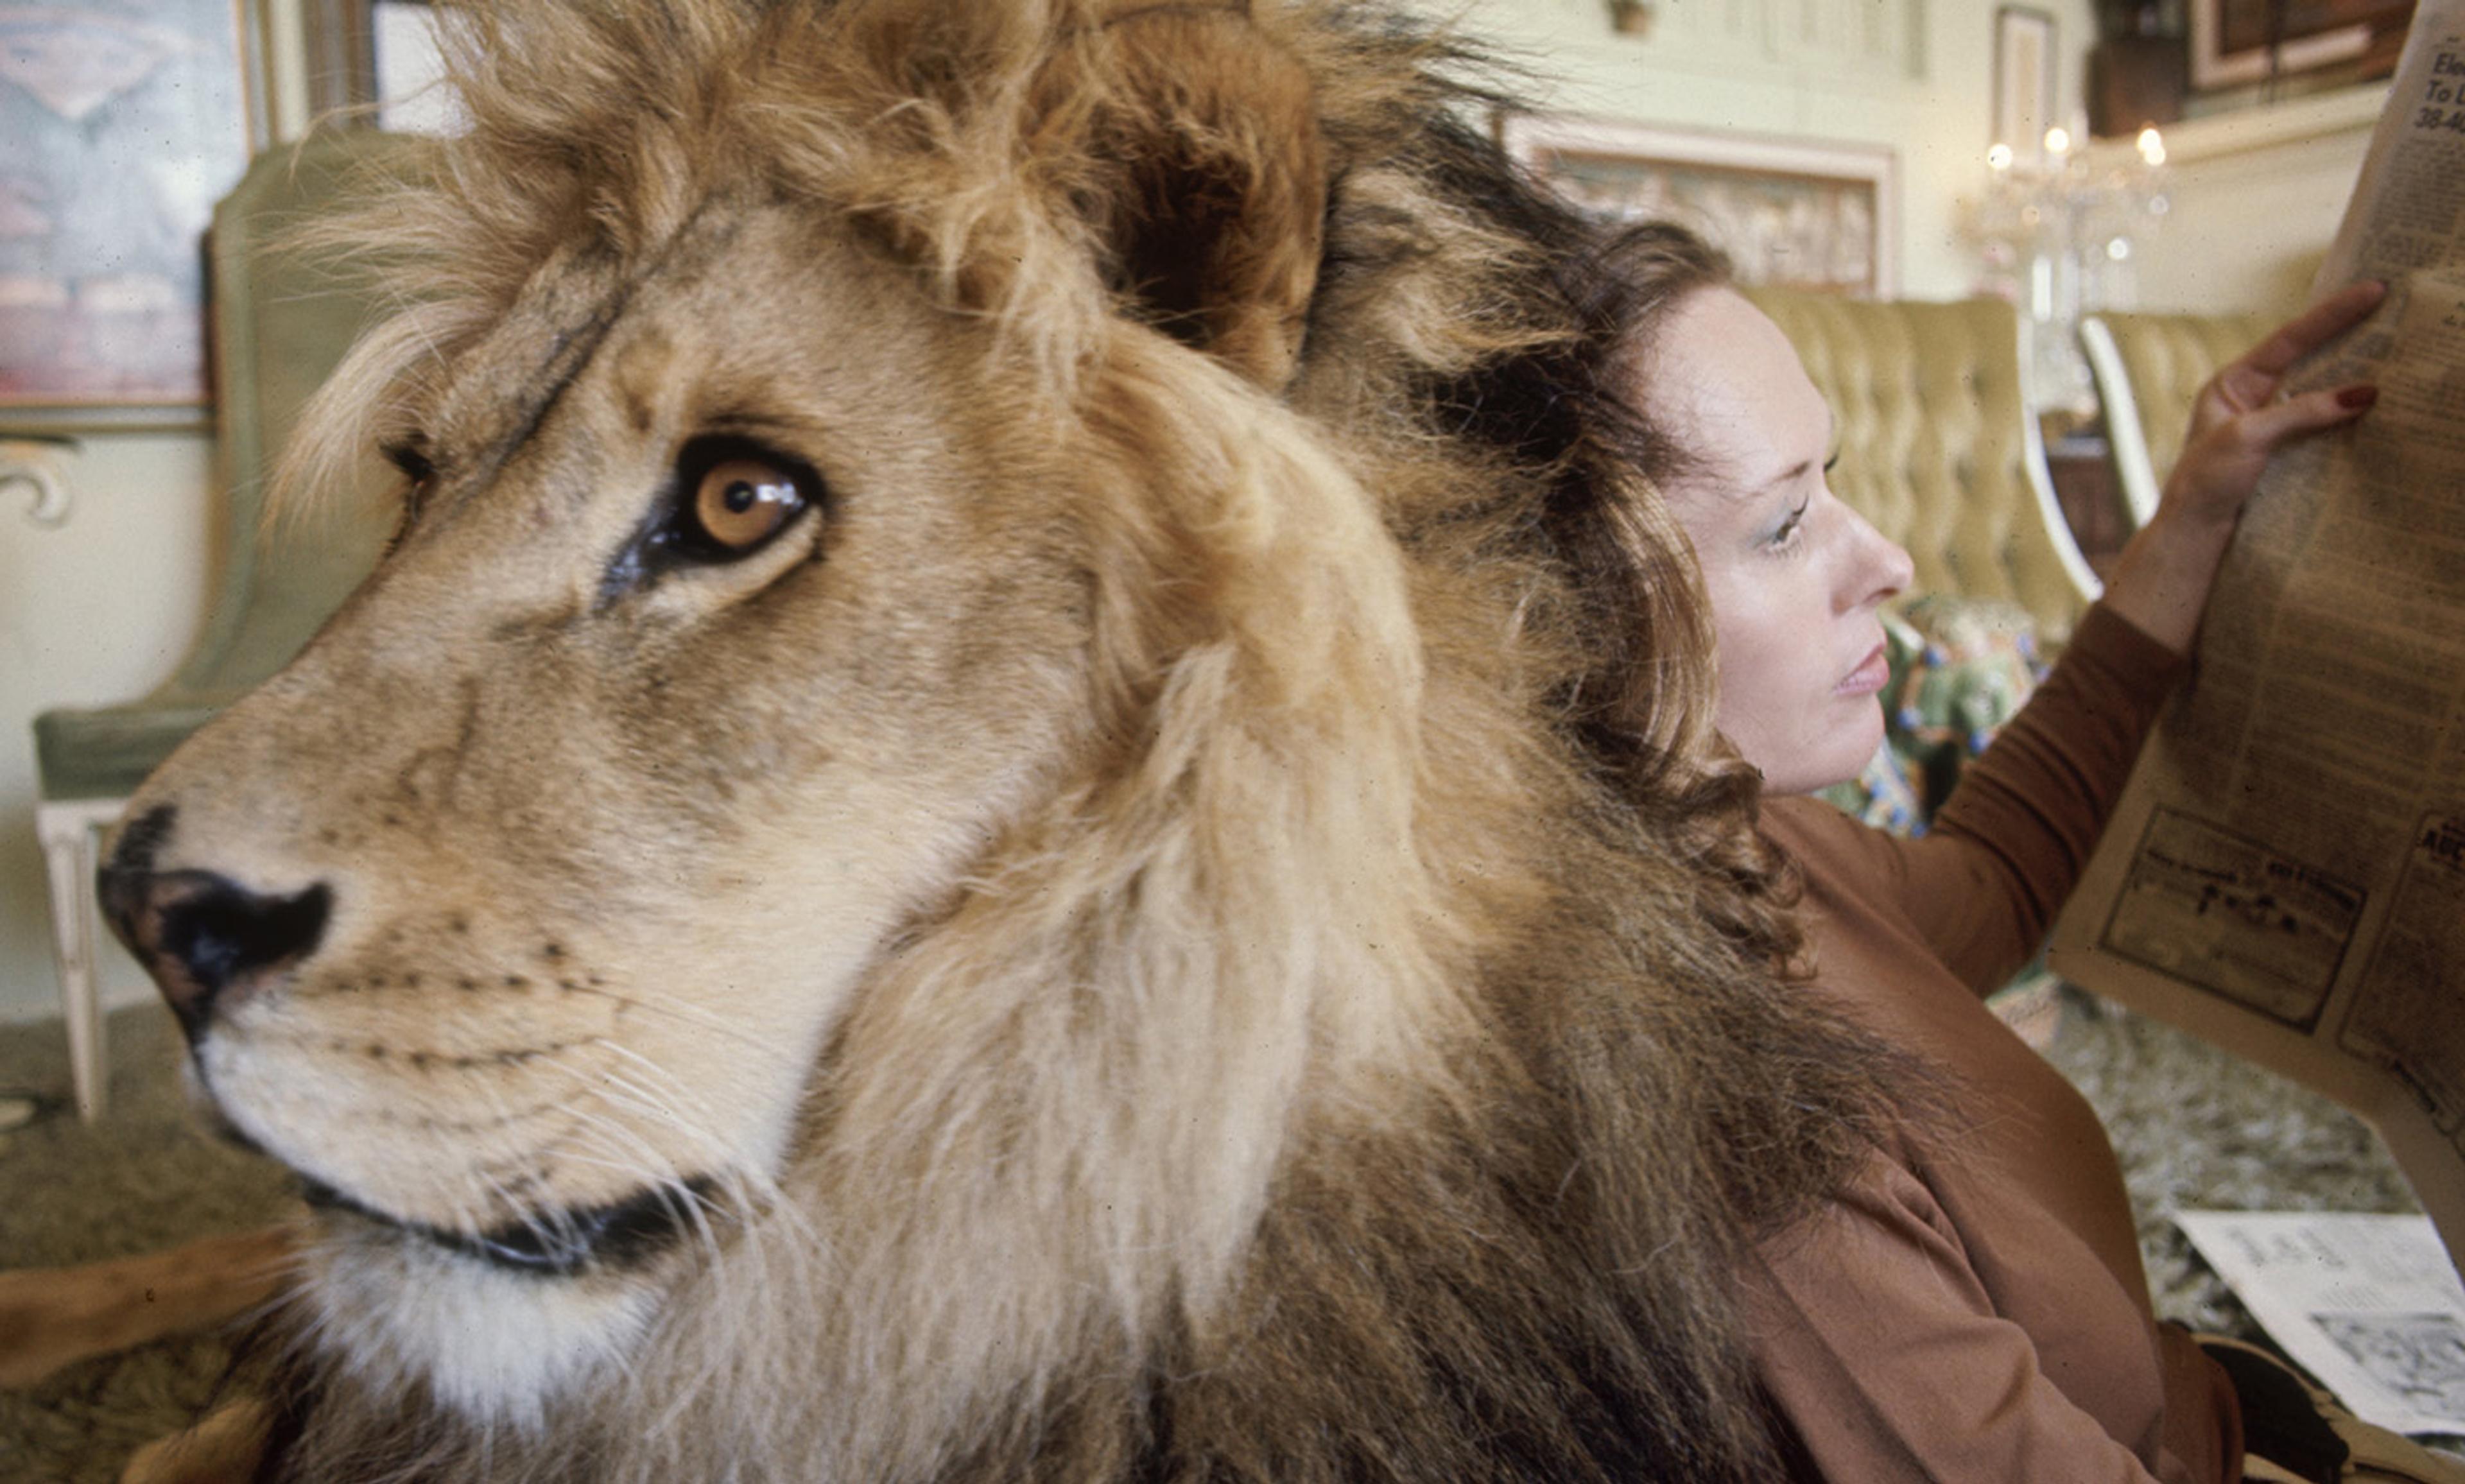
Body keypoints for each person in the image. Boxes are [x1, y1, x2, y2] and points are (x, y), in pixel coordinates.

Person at [1594, 221, 2447, 1483]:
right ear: (1575, 612)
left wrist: (2195, 513)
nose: (1888, 559)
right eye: (1784, 526)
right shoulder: (1730, 1118)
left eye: (1833, 479)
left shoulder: (1741, 839)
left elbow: (1988, 880)